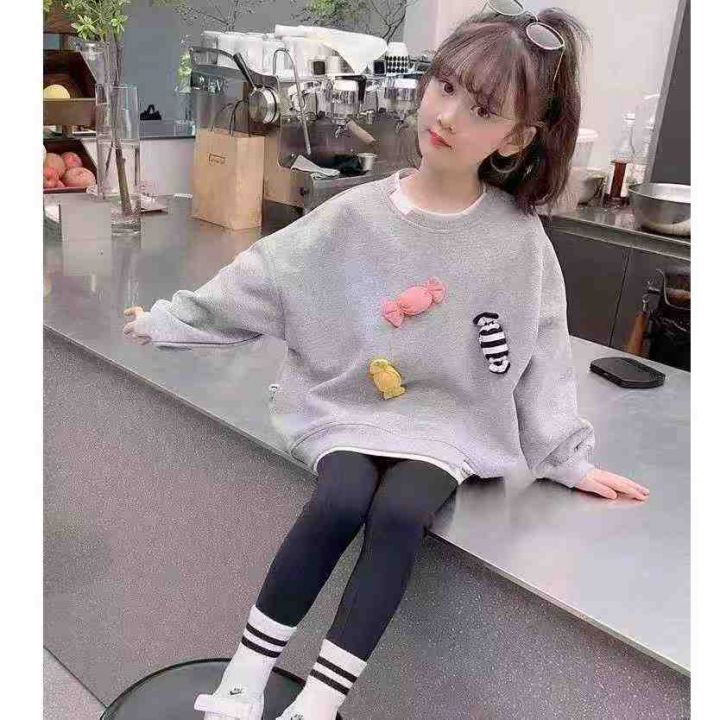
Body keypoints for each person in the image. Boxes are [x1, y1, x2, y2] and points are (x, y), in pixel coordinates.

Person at [123, 5, 650, 719]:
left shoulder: (518, 241)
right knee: (340, 498)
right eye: (446, 86)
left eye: (482, 108)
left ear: (517, 137)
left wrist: (567, 458)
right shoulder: (354, 212)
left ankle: (318, 703)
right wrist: (171, 320)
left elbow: (543, 349)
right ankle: (244, 681)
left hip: (448, 424)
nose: (449, 115)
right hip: (346, 407)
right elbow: (266, 277)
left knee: (402, 511)